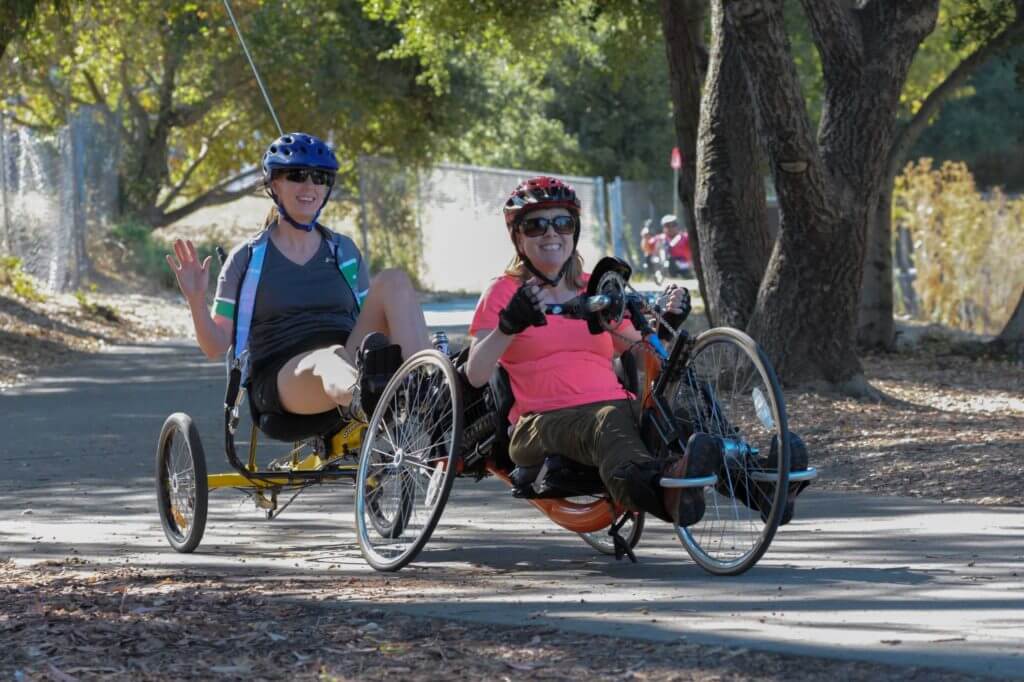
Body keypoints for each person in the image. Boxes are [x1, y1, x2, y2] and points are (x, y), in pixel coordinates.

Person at [464, 176, 722, 527]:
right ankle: (666, 493)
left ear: (575, 231)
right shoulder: (503, 291)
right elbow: (476, 373)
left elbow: (639, 348)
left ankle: (762, 480)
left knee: (683, 413)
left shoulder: (595, 288)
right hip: (537, 423)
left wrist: (666, 324)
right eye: (536, 225)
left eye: (563, 223)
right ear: (518, 236)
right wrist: (509, 324)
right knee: (606, 420)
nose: (551, 234)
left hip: (615, 405)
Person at [166, 132, 429, 421]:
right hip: (282, 379)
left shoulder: (344, 250)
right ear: (274, 184)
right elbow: (215, 347)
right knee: (327, 359)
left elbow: (375, 322)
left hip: (349, 358)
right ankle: (372, 401)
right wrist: (195, 299)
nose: (310, 185)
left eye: (320, 177)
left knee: (394, 280)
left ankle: (428, 391)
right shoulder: (247, 258)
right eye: (297, 175)